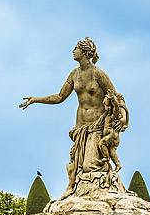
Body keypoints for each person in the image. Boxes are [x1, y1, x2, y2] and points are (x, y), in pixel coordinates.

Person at [20, 38, 128, 196]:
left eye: (76, 48)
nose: (73, 51)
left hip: (97, 125)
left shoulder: (98, 74)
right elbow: (60, 96)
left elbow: (117, 96)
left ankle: (98, 192)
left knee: (89, 166)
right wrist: (36, 99)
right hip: (80, 126)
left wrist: (123, 117)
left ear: (84, 52)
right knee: (77, 166)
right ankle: (72, 189)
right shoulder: (74, 74)